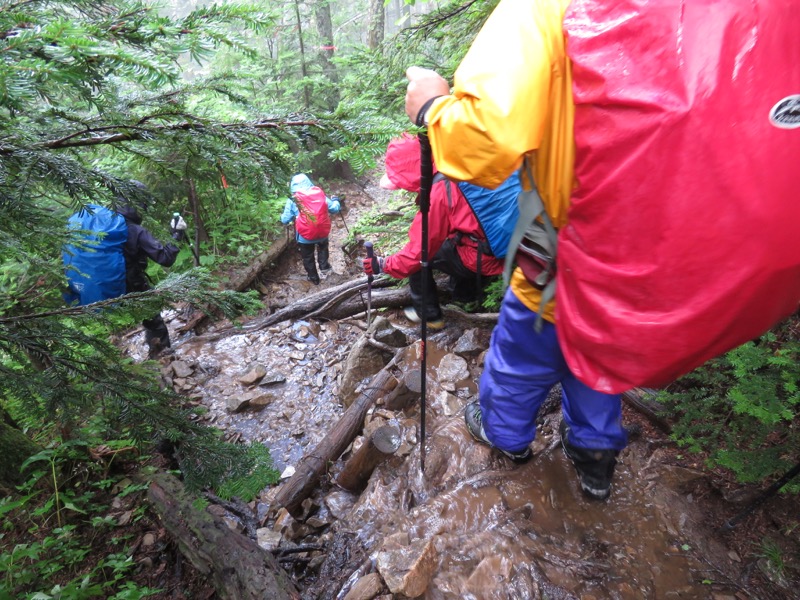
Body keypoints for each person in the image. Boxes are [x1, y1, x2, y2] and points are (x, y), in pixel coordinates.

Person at [403, 0, 626, 500]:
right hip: (633, 262)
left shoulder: (544, 10)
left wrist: (432, 108)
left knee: (521, 356)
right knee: (595, 354)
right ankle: (595, 458)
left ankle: (507, 436)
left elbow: (485, 138)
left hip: (562, 254)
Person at [362, 133, 505, 330]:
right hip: (505, 243)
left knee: (421, 260)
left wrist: (383, 264)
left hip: (484, 257)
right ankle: (464, 297)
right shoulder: (455, 162)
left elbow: (415, 255)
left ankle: (430, 316)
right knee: (449, 241)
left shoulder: (439, 192)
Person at [116, 201, 180, 359]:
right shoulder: (134, 230)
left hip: (105, 286)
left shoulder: (105, 224)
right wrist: (177, 234)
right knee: (154, 322)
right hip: (131, 284)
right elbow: (165, 258)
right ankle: (163, 359)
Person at [280, 173, 341, 285]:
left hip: (305, 236)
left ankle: (314, 278)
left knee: (308, 257)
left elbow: (285, 220)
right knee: (323, 249)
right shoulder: (319, 195)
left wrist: (283, 216)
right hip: (322, 232)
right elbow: (335, 209)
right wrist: (336, 200)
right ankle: (325, 268)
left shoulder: (293, 200)